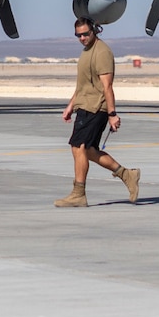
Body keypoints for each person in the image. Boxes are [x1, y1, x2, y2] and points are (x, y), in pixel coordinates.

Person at [55, 18, 142, 207]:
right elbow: (83, 84)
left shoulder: (102, 52)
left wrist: (112, 114)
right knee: (89, 151)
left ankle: (78, 193)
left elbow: (107, 86)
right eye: (79, 35)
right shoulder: (86, 51)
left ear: (95, 31)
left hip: (96, 107)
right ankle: (127, 174)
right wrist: (71, 105)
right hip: (84, 105)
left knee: (79, 148)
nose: (83, 38)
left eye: (86, 34)